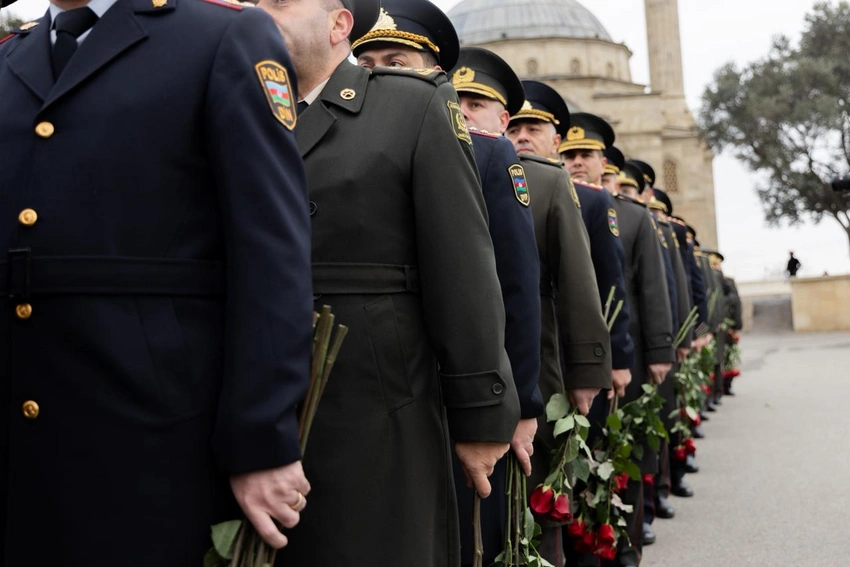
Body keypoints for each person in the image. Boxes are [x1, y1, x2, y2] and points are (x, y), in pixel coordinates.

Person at [0, 0, 315, 564]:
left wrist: (262, 441)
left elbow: (270, 252)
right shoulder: (11, 56)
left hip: (151, 430)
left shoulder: (222, 37)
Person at [257, 0, 523, 565]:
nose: (259, 12)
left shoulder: (411, 106)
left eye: (278, 1)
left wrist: (482, 414)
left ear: (338, 24)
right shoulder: (241, 103)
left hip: (375, 402)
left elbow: (463, 269)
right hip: (256, 399)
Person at [354, 12, 543, 565]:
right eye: (367, 63)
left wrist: (519, 405)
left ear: (435, 73)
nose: (380, 74)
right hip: (366, 380)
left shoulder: (485, 152)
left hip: (450, 385)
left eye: (397, 63)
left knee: (461, 534)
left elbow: (513, 287)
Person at [503, 79, 614, 564]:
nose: (522, 136)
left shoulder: (555, 185)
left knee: (545, 484)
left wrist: (590, 368)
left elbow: (584, 284)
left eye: (533, 128)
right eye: (516, 127)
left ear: (555, 138)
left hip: (546, 353)